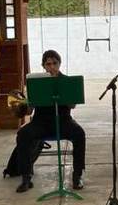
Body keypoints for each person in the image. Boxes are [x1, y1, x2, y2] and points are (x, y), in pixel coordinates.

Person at [12, 50, 87, 193]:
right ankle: (26, 177)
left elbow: (72, 105)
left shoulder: (67, 81)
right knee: (23, 134)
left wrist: (66, 95)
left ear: (59, 64)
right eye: (48, 64)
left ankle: (77, 175)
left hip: (63, 121)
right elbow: (29, 112)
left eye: (54, 63)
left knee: (79, 133)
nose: (51, 67)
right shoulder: (36, 83)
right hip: (40, 122)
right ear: (43, 66)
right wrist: (28, 101)